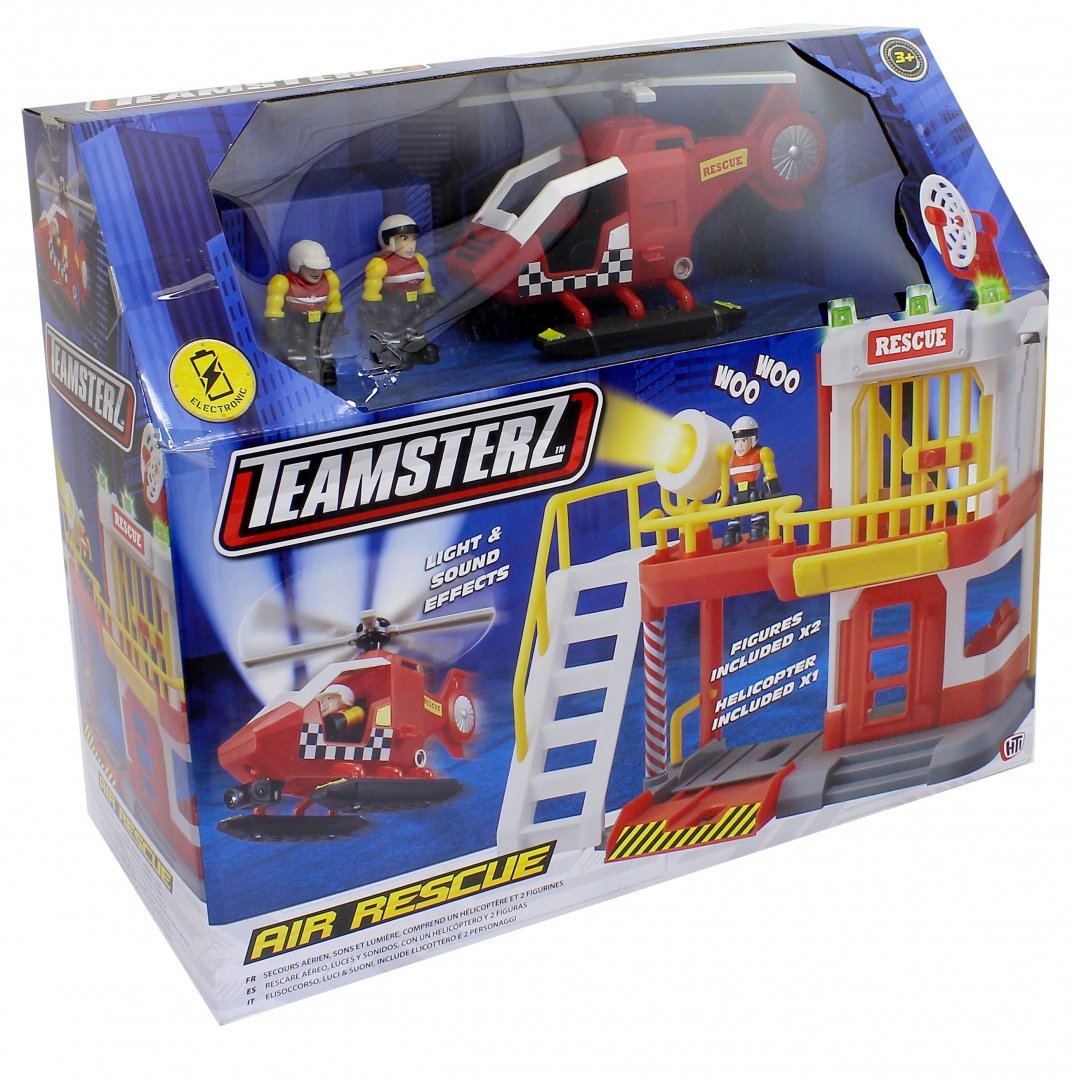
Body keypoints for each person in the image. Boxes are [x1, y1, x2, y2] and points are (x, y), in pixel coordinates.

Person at [361, 214, 440, 369]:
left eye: (413, 239)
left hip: (414, 302)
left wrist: (430, 297)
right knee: (394, 327)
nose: (411, 245)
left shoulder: (420, 260)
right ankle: (390, 353)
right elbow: (372, 289)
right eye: (404, 239)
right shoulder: (380, 264)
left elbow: (426, 282)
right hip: (393, 304)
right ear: (388, 241)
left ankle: (417, 348)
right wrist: (371, 307)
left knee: (417, 326)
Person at [264, 239, 345, 384]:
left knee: (323, 344)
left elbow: (335, 303)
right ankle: (298, 369)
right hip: (298, 321)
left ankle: (326, 368)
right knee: (297, 344)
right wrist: (275, 325)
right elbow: (273, 308)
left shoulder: (330, 279)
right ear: (297, 265)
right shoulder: (282, 282)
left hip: (321, 320)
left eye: (319, 267)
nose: (316, 272)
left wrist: (336, 321)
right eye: (310, 268)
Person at [723, 415, 780, 547]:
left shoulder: (760, 453)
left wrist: (772, 485)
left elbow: (769, 471)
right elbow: (723, 477)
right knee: (734, 505)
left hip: (752, 491)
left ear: (753, 439)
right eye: (736, 441)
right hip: (737, 493)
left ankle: (759, 526)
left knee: (756, 499)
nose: (739, 445)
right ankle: (733, 530)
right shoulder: (730, 458)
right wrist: (721, 493)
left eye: (743, 440)